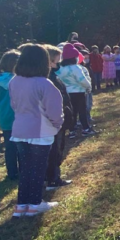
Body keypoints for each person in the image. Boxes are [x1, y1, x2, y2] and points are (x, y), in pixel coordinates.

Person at [9, 44, 63, 217]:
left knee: (25, 169)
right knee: (38, 169)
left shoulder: (14, 81)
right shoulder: (44, 84)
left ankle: (21, 205)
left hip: (19, 130)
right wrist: (57, 125)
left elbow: (14, 105)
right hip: (40, 132)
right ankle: (34, 204)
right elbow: (54, 111)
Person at [44, 45, 73, 190]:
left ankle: (51, 176)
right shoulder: (48, 78)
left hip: (59, 119)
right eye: (56, 61)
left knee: (57, 148)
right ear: (49, 61)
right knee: (54, 149)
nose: (59, 64)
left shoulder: (51, 76)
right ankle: (53, 178)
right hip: (54, 122)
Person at [0, 50, 21, 180]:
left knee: (9, 146)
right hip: (19, 116)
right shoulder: (19, 79)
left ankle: (12, 173)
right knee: (22, 145)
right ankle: (24, 169)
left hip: (5, 117)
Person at [56, 43, 95, 139]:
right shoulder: (76, 68)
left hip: (67, 93)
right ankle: (86, 128)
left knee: (71, 112)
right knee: (82, 111)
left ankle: (72, 130)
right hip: (79, 92)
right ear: (74, 57)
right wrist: (88, 87)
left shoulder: (61, 69)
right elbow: (82, 80)